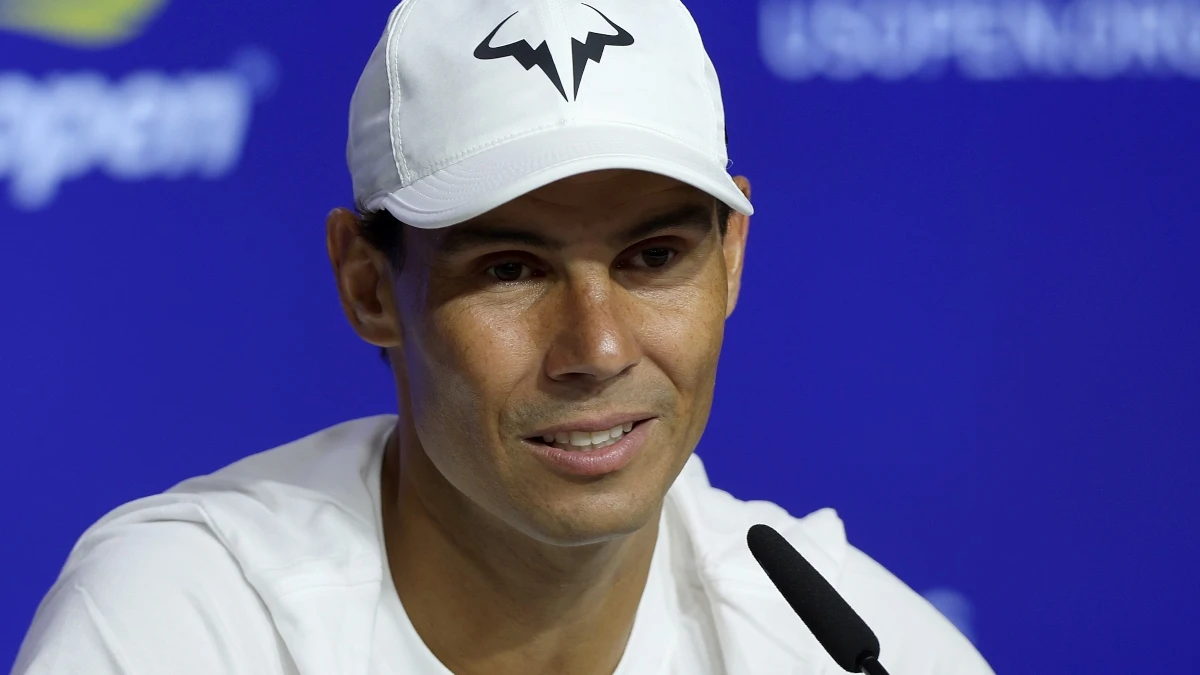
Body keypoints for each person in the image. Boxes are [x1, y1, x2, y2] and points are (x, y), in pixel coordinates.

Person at [13, 0, 995, 673]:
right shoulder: (183, 627)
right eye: (511, 270)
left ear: (732, 257)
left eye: (653, 259)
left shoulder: (854, 647)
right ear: (367, 285)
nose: (599, 347)